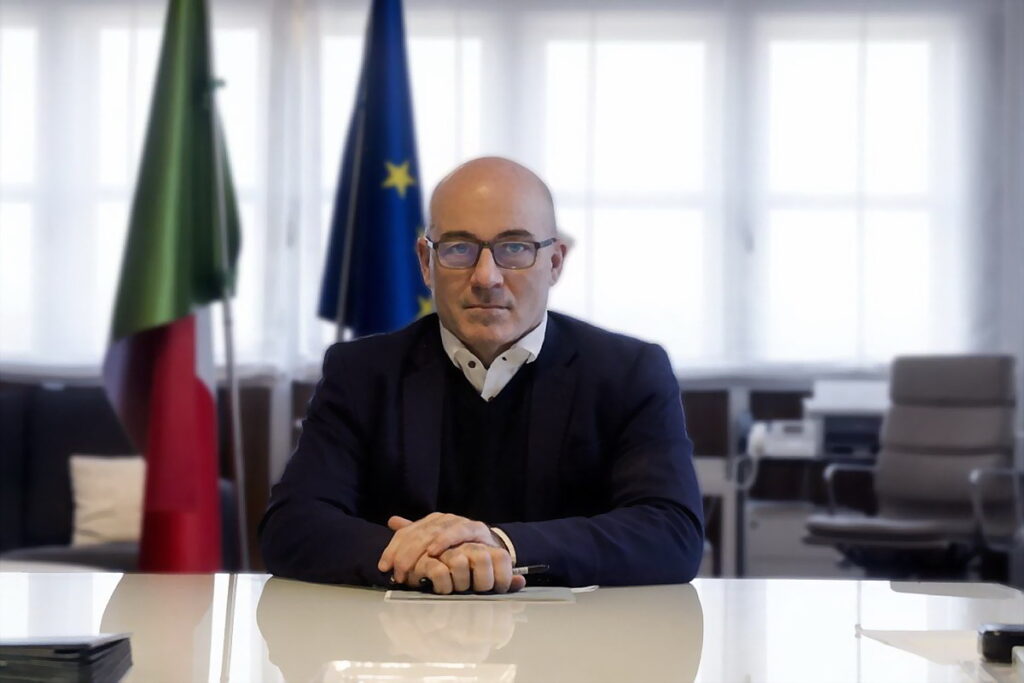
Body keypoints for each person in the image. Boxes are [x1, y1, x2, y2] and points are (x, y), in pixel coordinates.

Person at [259, 157, 704, 593]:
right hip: (401, 636)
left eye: (515, 248)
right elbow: (291, 525)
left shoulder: (628, 373)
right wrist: (415, 558)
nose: (486, 277)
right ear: (426, 262)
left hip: (573, 638)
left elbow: (671, 531)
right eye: (459, 248)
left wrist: (501, 546)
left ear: (554, 263)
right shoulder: (361, 372)